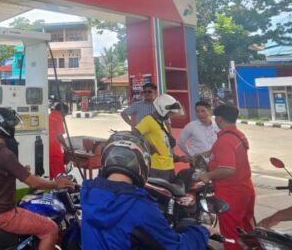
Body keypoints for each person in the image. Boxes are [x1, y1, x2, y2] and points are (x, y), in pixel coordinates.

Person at [81, 131, 213, 249]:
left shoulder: (89, 194)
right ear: (142, 163)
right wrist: (203, 231)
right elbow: (176, 247)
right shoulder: (140, 208)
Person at [0, 107, 75, 250]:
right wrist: (56, 183)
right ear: (4, 127)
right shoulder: (5, 154)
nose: (13, 128)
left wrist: (19, 169)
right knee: (50, 229)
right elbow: (34, 183)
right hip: (3, 215)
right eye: (12, 125)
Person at [200, 105, 254, 250]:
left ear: (219, 119)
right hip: (245, 190)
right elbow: (224, 152)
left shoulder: (225, 140)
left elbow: (227, 169)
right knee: (246, 231)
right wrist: (204, 154)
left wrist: (207, 175)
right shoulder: (238, 135)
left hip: (230, 195)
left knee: (231, 235)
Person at [134, 94, 188, 182]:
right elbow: (134, 134)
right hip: (156, 169)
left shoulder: (161, 123)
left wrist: (180, 159)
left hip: (168, 168)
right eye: (170, 113)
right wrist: (147, 146)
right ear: (162, 109)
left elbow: (165, 149)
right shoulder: (148, 120)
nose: (171, 115)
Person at [49, 102, 68, 178]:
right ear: (62, 111)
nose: (64, 117)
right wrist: (66, 146)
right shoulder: (58, 117)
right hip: (55, 148)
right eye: (65, 115)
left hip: (47, 148)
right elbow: (60, 136)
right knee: (59, 173)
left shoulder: (49, 115)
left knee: (50, 171)